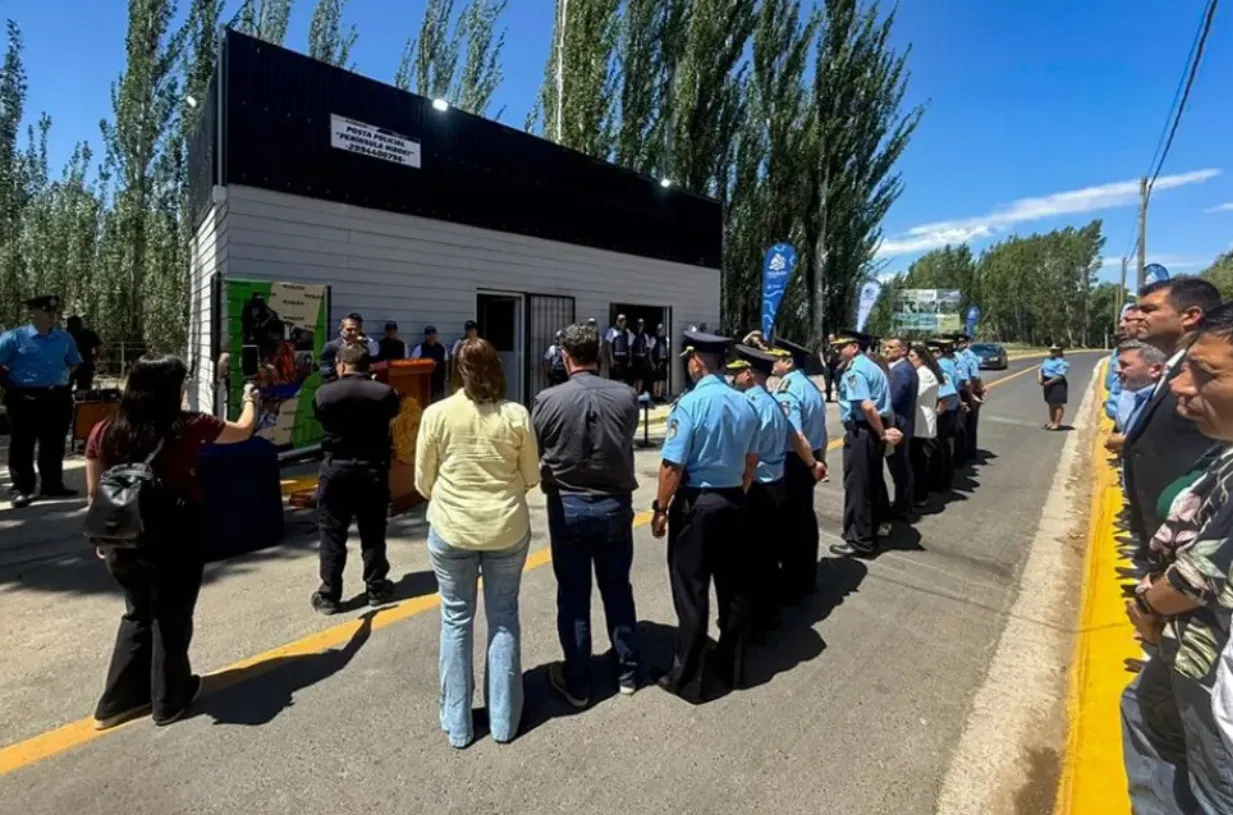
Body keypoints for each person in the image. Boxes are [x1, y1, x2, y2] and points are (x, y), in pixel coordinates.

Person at [85, 354, 259, 729]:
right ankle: (169, 698)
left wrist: (104, 537)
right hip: (174, 534)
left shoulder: (104, 430)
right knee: (171, 616)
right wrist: (251, 399)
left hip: (121, 538)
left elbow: (94, 493)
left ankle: (116, 702)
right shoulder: (189, 425)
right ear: (170, 390)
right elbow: (243, 430)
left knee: (137, 613)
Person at [1120, 301, 1233, 814]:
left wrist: (1148, 606)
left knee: (1212, 791)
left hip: (1215, 681)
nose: (1182, 386)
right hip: (1191, 652)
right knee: (1146, 714)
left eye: (1204, 373)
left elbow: (1202, 573)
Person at [414, 338, 540, 748]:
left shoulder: (436, 414)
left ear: (456, 370)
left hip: (452, 527)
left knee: (456, 619)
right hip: (506, 527)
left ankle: (458, 723)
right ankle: (504, 720)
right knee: (503, 618)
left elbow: (423, 480)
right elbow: (531, 475)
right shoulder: (516, 415)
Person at [531, 323, 641, 706]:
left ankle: (578, 681)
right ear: (601, 355)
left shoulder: (547, 400)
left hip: (569, 505)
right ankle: (628, 670)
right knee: (617, 587)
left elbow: (538, 446)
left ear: (565, 358)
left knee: (574, 595)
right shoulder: (627, 396)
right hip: (614, 504)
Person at [651, 330, 758, 701]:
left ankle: (688, 678)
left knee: (692, 589)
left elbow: (672, 466)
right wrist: (737, 495)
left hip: (698, 503)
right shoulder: (745, 403)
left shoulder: (690, 404)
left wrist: (661, 509)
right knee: (733, 588)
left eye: (689, 360)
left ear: (697, 361)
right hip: (734, 501)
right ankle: (733, 668)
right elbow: (751, 461)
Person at [1124, 277, 1222, 546]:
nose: (1136, 316)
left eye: (1149, 309)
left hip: (1189, 530)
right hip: (1159, 526)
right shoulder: (1173, 366)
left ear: (1190, 316)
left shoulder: (1207, 373)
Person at [310, 344, 401, 615]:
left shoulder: (324, 393)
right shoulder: (384, 393)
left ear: (340, 364)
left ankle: (329, 594)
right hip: (372, 470)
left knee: (332, 532)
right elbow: (394, 412)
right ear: (368, 366)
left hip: (336, 469)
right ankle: (376, 587)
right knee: (373, 532)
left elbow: (319, 415)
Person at [726, 344, 790, 633]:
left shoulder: (750, 404)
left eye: (738, 372)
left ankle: (754, 620)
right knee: (769, 552)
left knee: (750, 557)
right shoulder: (772, 402)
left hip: (757, 486)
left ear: (749, 374)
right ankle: (770, 613)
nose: (734, 377)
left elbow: (743, 451)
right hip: (775, 482)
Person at [0, 295, 82, 508]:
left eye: (54, 312)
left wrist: (60, 378)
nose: (51, 316)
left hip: (57, 397)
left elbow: (74, 362)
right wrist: (11, 385)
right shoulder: (14, 338)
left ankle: (52, 484)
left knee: (54, 442)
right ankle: (22, 488)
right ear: (34, 313)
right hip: (24, 398)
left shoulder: (64, 338)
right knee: (22, 444)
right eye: (46, 311)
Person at [770, 337, 829, 599]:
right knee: (804, 518)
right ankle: (805, 576)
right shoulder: (809, 386)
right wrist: (819, 459)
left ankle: (793, 583)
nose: (772, 363)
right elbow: (822, 431)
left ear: (788, 361)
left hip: (796, 460)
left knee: (791, 523)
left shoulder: (789, 390)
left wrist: (811, 463)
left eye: (776, 358)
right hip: (809, 457)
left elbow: (795, 434)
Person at [829, 330, 896, 557]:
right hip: (871, 431)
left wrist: (881, 433)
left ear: (854, 347)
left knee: (858, 487)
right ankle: (871, 528)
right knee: (871, 482)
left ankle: (860, 540)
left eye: (841, 347)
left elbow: (866, 406)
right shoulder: (870, 366)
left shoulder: (856, 370)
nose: (837, 351)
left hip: (863, 431)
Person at [1104, 340, 1166, 456]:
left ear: (1155, 370)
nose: (1117, 370)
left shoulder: (1164, 402)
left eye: (1125, 365)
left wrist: (1127, 442)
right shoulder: (1137, 393)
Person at [883, 337, 918, 520]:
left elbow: (891, 399)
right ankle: (903, 503)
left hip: (898, 424)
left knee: (899, 468)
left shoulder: (900, 371)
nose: (886, 350)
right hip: (902, 422)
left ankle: (902, 507)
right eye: (885, 346)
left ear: (903, 350)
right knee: (901, 467)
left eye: (891, 347)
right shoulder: (904, 368)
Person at [908, 343, 942, 507]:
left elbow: (914, 395)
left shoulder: (924, 374)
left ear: (921, 358)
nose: (909, 359)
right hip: (918, 420)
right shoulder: (921, 372)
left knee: (918, 461)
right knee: (916, 459)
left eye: (912, 356)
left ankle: (921, 495)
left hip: (921, 422)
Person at [319, 313, 380, 381]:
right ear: (341, 329)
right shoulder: (332, 346)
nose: (353, 332)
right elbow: (325, 369)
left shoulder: (363, 346)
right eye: (349, 329)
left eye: (356, 329)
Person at [954, 333, 984, 460]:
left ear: (966, 343)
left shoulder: (969, 356)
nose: (958, 344)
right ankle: (964, 452)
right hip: (961, 391)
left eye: (961, 342)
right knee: (962, 424)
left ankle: (968, 453)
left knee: (969, 424)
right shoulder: (957, 355)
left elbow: (975, 377)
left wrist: (977, 391)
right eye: (957, 342)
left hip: (968, 391)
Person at [409, 325, 448, 401]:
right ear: (425, 336)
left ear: (436, 335)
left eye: (433, 334)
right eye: (429, 334)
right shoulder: (419, 348)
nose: (431, 336)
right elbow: (412, 364)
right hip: (424, 382)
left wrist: (446, 378)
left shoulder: (442, 348)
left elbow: (446, 362)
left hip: (438, 383)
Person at [66, 315, 103, 393]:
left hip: (69, 367)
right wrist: (94, 359)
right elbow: (100, 349)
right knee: (84, 393)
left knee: (64, 392)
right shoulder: (90, 334)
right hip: (86, 366)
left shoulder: (64, 335)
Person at [1038, 344, 1069, 430]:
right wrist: (1040, 378)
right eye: (1051, 350)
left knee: (1057, 404)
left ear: (1059, 351)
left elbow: (1060, 376)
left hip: (1057, 383)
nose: (1052, 352)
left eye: (1055, 350)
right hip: (1046, 381)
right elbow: (1041, 369)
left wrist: (1049, 383)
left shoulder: (1062, 362)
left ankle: (1057, 423)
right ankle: (1051, 421)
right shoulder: (1047, 360)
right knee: (1050, 403)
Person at [605, 314, 633, 385]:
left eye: (622, 321)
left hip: (624, 357)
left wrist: (630, 359)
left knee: (624, 377)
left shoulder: (627, 332)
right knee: (615, 376)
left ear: (625, 322)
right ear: (616, 321)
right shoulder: (612, 330)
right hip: (615, 356)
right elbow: (609, 345)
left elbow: (629, 346)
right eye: (619, 320)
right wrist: (611, 358)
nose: (621, 322)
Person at [651, 323, 670, 401]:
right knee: (656, 379)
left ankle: (660, 395)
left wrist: (667, 361)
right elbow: (650, 351)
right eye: (659, 329)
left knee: (662, 379)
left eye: (662, 329)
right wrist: (652, 362)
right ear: (657, 330)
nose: (661, 330)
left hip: (663, 360)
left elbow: (667, 350)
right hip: (656, 361)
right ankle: (655, 396)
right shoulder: (653, 339)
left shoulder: (666, 339)